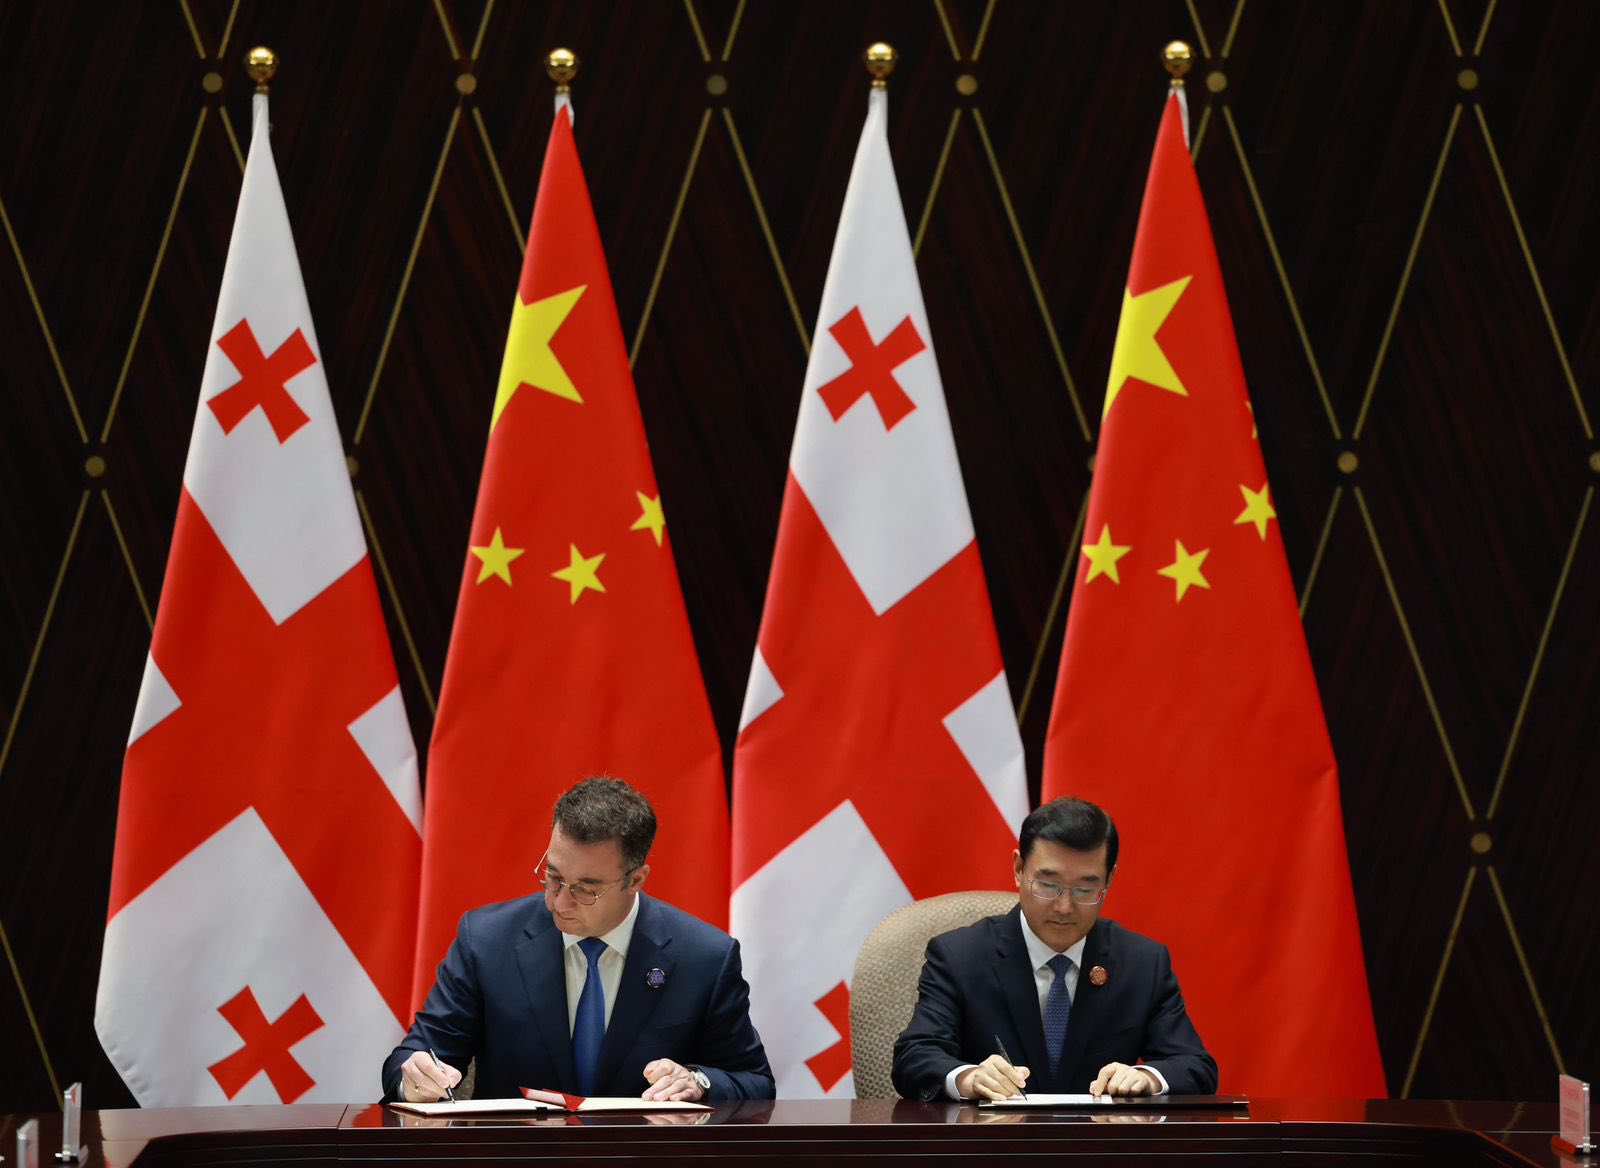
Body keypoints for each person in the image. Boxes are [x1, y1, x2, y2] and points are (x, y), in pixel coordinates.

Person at [384, 777, 774, 1103]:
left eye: (586, 889)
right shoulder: (487, 941)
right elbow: (414, 1056)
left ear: (635, 880)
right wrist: (415, 1079)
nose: (558, 901)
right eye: (553, 876)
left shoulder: (704, 957)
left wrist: (698, 1081)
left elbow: (755, 1082)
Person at [891, 796, 1217, 1101]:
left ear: (1109, 880)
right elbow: (915, 1057)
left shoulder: (1142, 963)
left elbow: (1195, 1065)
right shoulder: (960, 956)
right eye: (1048, 885)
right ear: (1018, 869)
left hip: (1100, 1141)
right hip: (994, 1139)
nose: (1064, 907)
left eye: (1086, 889)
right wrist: (969, 1078)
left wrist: (1146, 1077)